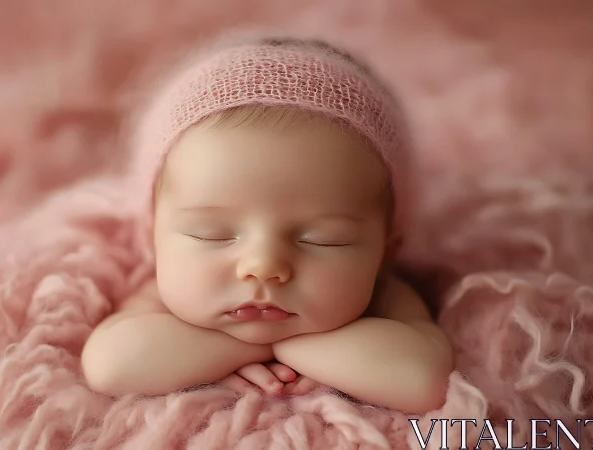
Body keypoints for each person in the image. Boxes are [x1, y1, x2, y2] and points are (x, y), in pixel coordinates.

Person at [81, 35, 454, 414]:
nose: (263, 266)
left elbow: (424, 380)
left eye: (323, 239)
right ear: (153, 240)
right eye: (212, 233)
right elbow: (111, 366)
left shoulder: (384, 292)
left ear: (384, 253)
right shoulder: (158, 295)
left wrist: (278, 346)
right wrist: (264, 346)